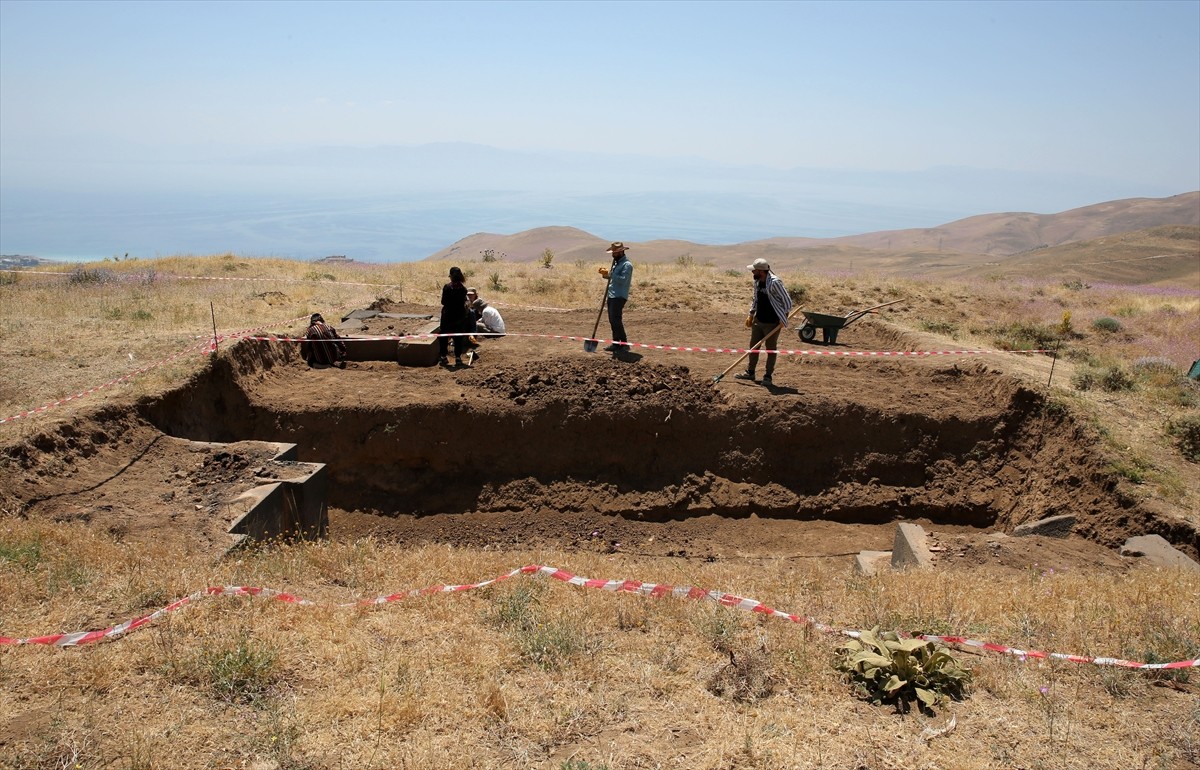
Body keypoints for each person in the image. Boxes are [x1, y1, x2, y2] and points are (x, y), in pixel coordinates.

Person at [735, 258, 792, 386]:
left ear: (760, 271)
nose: (752, 272)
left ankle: (768, 377)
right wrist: (751, 314)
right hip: (758, 320)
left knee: (771, 350)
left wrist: (784, 319)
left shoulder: (775, 283)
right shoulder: (757, 281)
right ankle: (750, 372)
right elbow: (755, 298)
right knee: (753, 347)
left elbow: (788, 302)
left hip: (773, 323)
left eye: (754, 270)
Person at [597, 242, 633, 353]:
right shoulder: (616, 263)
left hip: (619, 295)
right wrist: (605, 275)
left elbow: (623, 280)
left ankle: (624, 344)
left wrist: (611, 274)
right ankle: (616, 343)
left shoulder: (627, 265)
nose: (613, 255)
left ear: (621, 252)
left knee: (616, 320)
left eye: (615, 253)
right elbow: (613, 279)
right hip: (612, 294)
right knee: (612, 320)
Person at [439, 266, 470, 366]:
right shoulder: (463, 289)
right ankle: (458, 358)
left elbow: (443, 301)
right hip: (459, 316)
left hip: (447, 316)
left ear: (451, 276)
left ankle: (443, 357)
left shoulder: (447, 287)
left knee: (443, 336)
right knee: (458, 337)